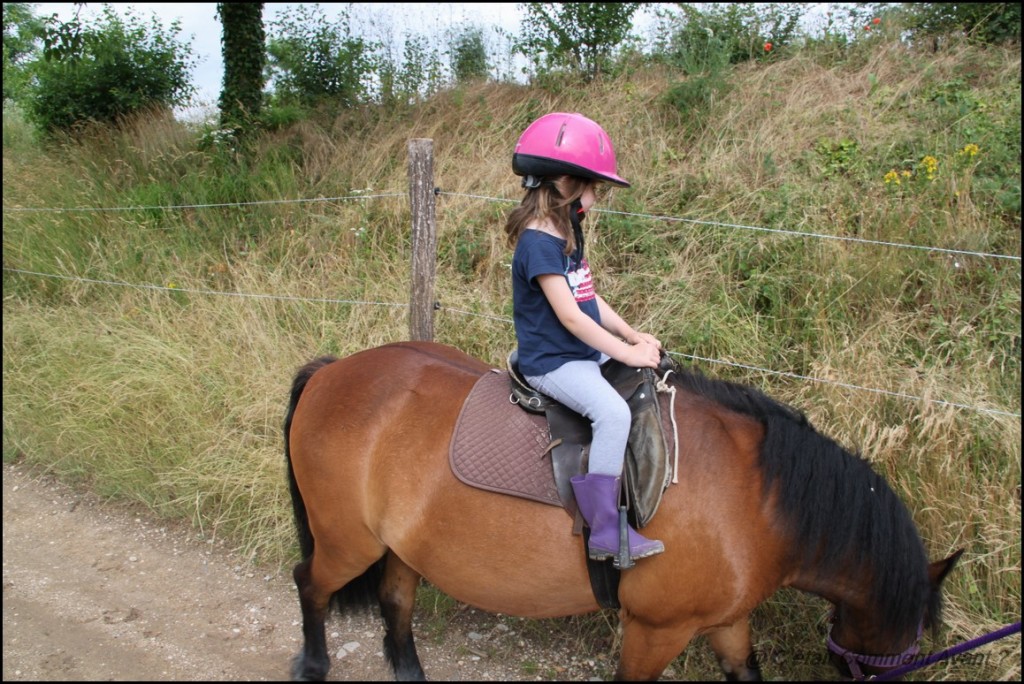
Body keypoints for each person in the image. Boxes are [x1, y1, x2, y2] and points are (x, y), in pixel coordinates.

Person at [505, 112, 665, 564]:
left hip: (582, 352)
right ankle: (605, 531)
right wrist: (628, 352)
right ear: (563, 183)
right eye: (593, 185)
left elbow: (589, 299)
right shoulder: (539, 243)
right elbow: (572, 319)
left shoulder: (566, 231)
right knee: (613, 414)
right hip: (555, 362)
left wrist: (632, 334)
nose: (597, 195)